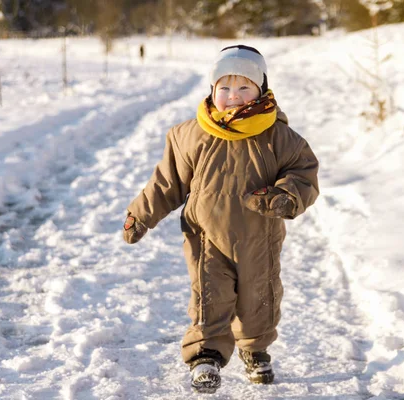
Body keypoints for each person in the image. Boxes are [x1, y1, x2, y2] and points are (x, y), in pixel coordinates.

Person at [123, 45, 319, 393]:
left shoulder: (278, 136)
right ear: (212, 90)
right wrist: (140, 215)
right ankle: (205, 356)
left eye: (244, 87)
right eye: (224, 88)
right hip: (205, 235)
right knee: (208, 295)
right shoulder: (189, 135)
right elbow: (167, 182)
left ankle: (255, 348)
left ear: (260, 90)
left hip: (259, 235)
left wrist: (285, 196)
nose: (233, 97)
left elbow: (304, 173)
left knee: (259, 297)